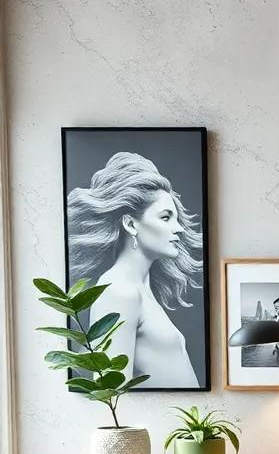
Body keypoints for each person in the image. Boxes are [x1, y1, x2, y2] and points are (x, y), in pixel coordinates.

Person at [66, 152, 203, 388]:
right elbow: (112, 393)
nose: (179, 228)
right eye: (166, 217)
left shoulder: (141, 288)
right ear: (130, 224)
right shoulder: (119, 291)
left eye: (176, 218)